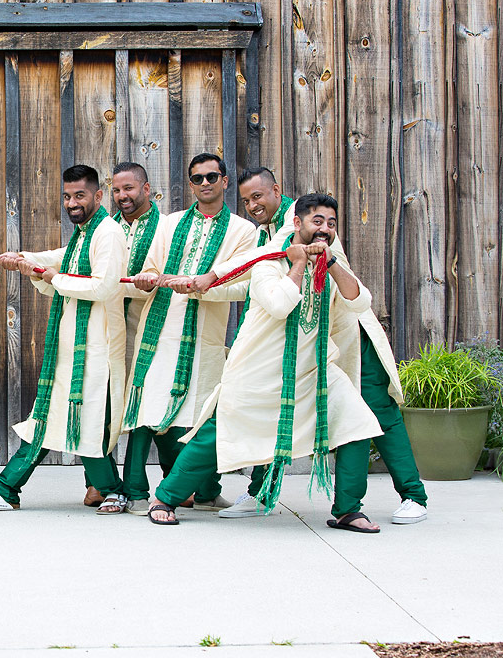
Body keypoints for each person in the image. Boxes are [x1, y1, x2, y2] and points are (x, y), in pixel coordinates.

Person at [187, 172, 428, 525]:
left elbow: (262, 259)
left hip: (350, 333)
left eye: (259, 196)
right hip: (312, 344)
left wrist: (210, 276)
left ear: (277, 192)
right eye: (247, 200)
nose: (254, 205)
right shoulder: (268, 234)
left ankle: (414, 496)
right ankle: (260, 493)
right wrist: (201, 289)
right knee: (278, 414)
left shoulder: (300, 223)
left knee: (380, 414)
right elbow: (254, 283)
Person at [146, 193, 386, 532]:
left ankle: (348, 508)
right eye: (318, 221)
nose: (325, 230)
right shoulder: (268, 263)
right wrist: (300, 263)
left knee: (357, 423)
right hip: (258, 372)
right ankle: (166, 498)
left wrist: (331, 265)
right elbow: (278, 305)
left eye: (331, 224)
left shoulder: (330, 265)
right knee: (217, 438)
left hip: (314, 372)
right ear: (298, 223)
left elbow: (360, 300)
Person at [0, 165, 127, 512]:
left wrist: (53, 277)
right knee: (66, 420)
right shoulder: (85, 234)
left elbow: (103, 284)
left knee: (72, 421)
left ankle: (7, 488)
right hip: (71, 349)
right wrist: (23, 260)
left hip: (97, 349)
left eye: (80, 195)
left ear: (98, 196)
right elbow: (59, 259)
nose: (72, 203)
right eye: (67, 196)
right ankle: (110, 489)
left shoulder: (108, 233)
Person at [118, 153, 257, 513]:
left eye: (212, 176)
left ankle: (208, 492)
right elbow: (149, 270)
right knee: (144, 409)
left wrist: (201, 287)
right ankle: (134, 491)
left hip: (204, 335)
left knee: (200, 415)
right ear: (191, 184)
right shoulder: (170, 223)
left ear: (225, 181)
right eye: (197, 178)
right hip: (158, 330)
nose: (205, 183)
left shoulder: (244, 231)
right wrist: (148, 279)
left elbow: (244, 285)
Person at [86, 161, 160, 514]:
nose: (122, 196)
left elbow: (161, 273)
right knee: (102, 403)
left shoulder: (163, 227)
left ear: (146, 189)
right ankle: (99, 484)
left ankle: (136, 486)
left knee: (140, 410)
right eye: (116, 190)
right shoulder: (106, 227)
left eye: (128, 189)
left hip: (148, 329)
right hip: (109, 329)